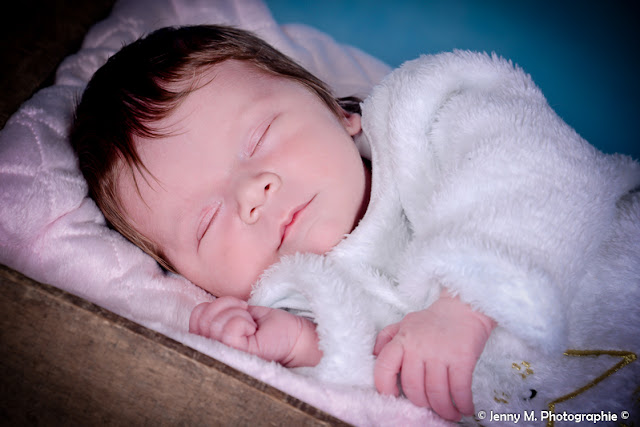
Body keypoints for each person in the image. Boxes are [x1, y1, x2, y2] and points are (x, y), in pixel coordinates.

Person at [71, 25, 640, 423]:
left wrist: (466, 302)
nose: (251, 194)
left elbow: (543, 169)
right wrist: (304, 346)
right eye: (206, 222)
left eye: (258, 140)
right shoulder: (296, 297)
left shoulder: (425, 121)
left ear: (340, 112)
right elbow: (389, 389)